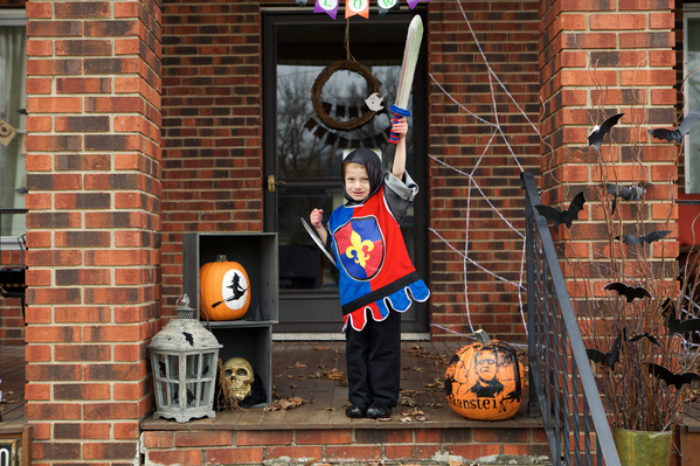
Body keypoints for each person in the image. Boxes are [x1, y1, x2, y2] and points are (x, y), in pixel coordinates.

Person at [309, 117, 430, 419]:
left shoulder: (384, 203)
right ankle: (359, 399)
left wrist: (400, 140)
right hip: (355, 296)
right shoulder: (337, 216)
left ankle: (383, 399)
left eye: (363, 179)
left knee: (383, 349)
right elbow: (338, 253)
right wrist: (320, 228)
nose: (358, 185)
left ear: (374, 178)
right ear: (343, 181)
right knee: (356, 351)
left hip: (385, 292)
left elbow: (398, 172)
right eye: (351, 180)